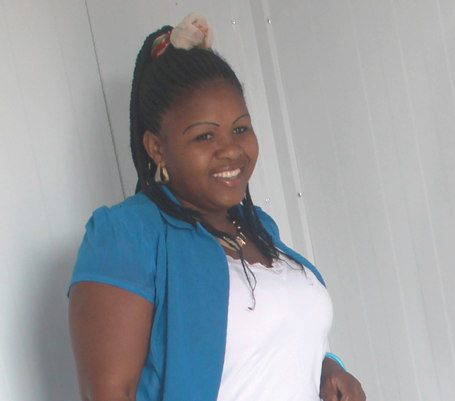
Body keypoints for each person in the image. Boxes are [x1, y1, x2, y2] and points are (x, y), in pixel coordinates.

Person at [68, 12, 366, 401]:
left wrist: (328, 366)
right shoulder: (125, 235)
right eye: (204, 136)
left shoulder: (258, 227)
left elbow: (267, 349)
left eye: (240, 128)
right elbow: (110, 392)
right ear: (156, 147)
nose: (231, 149)